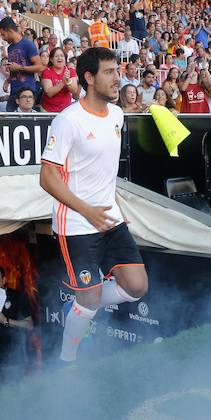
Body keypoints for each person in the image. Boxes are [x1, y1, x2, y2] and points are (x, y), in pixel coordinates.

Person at [39, 47, 148, 363]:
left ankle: (84, 301)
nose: (118, 79)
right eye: (109, 72)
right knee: (89, 301)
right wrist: (85, 209)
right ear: (89, 77)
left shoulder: (117, 114)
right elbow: (47, 178)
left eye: (118, 71)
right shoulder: (67, 120)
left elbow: (104, 174)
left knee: (137, 286)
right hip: (76, 223)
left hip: (110, 220)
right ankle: (67, 357)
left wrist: (118, 212)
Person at [0, 17, 42, 111]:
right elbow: (14, 68)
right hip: (14, 92)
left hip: (27, 93)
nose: (3, 38)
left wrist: (19, 67)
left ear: (9, 31)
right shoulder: (10, 48)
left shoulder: (28, 44)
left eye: (3, 34)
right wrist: (8, 80)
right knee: (11, 121)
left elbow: (39, 67)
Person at [40, 47, 78, 113]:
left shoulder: (70, 71)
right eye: (56, 56)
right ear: (51, 59)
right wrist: (63, 82)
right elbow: (49, 93)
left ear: (65, 58)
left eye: (62, 56)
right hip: (48, 110)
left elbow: (74, 91)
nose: (59, 58)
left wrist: (68, 81)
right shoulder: (46, 71)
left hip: (65, 110)